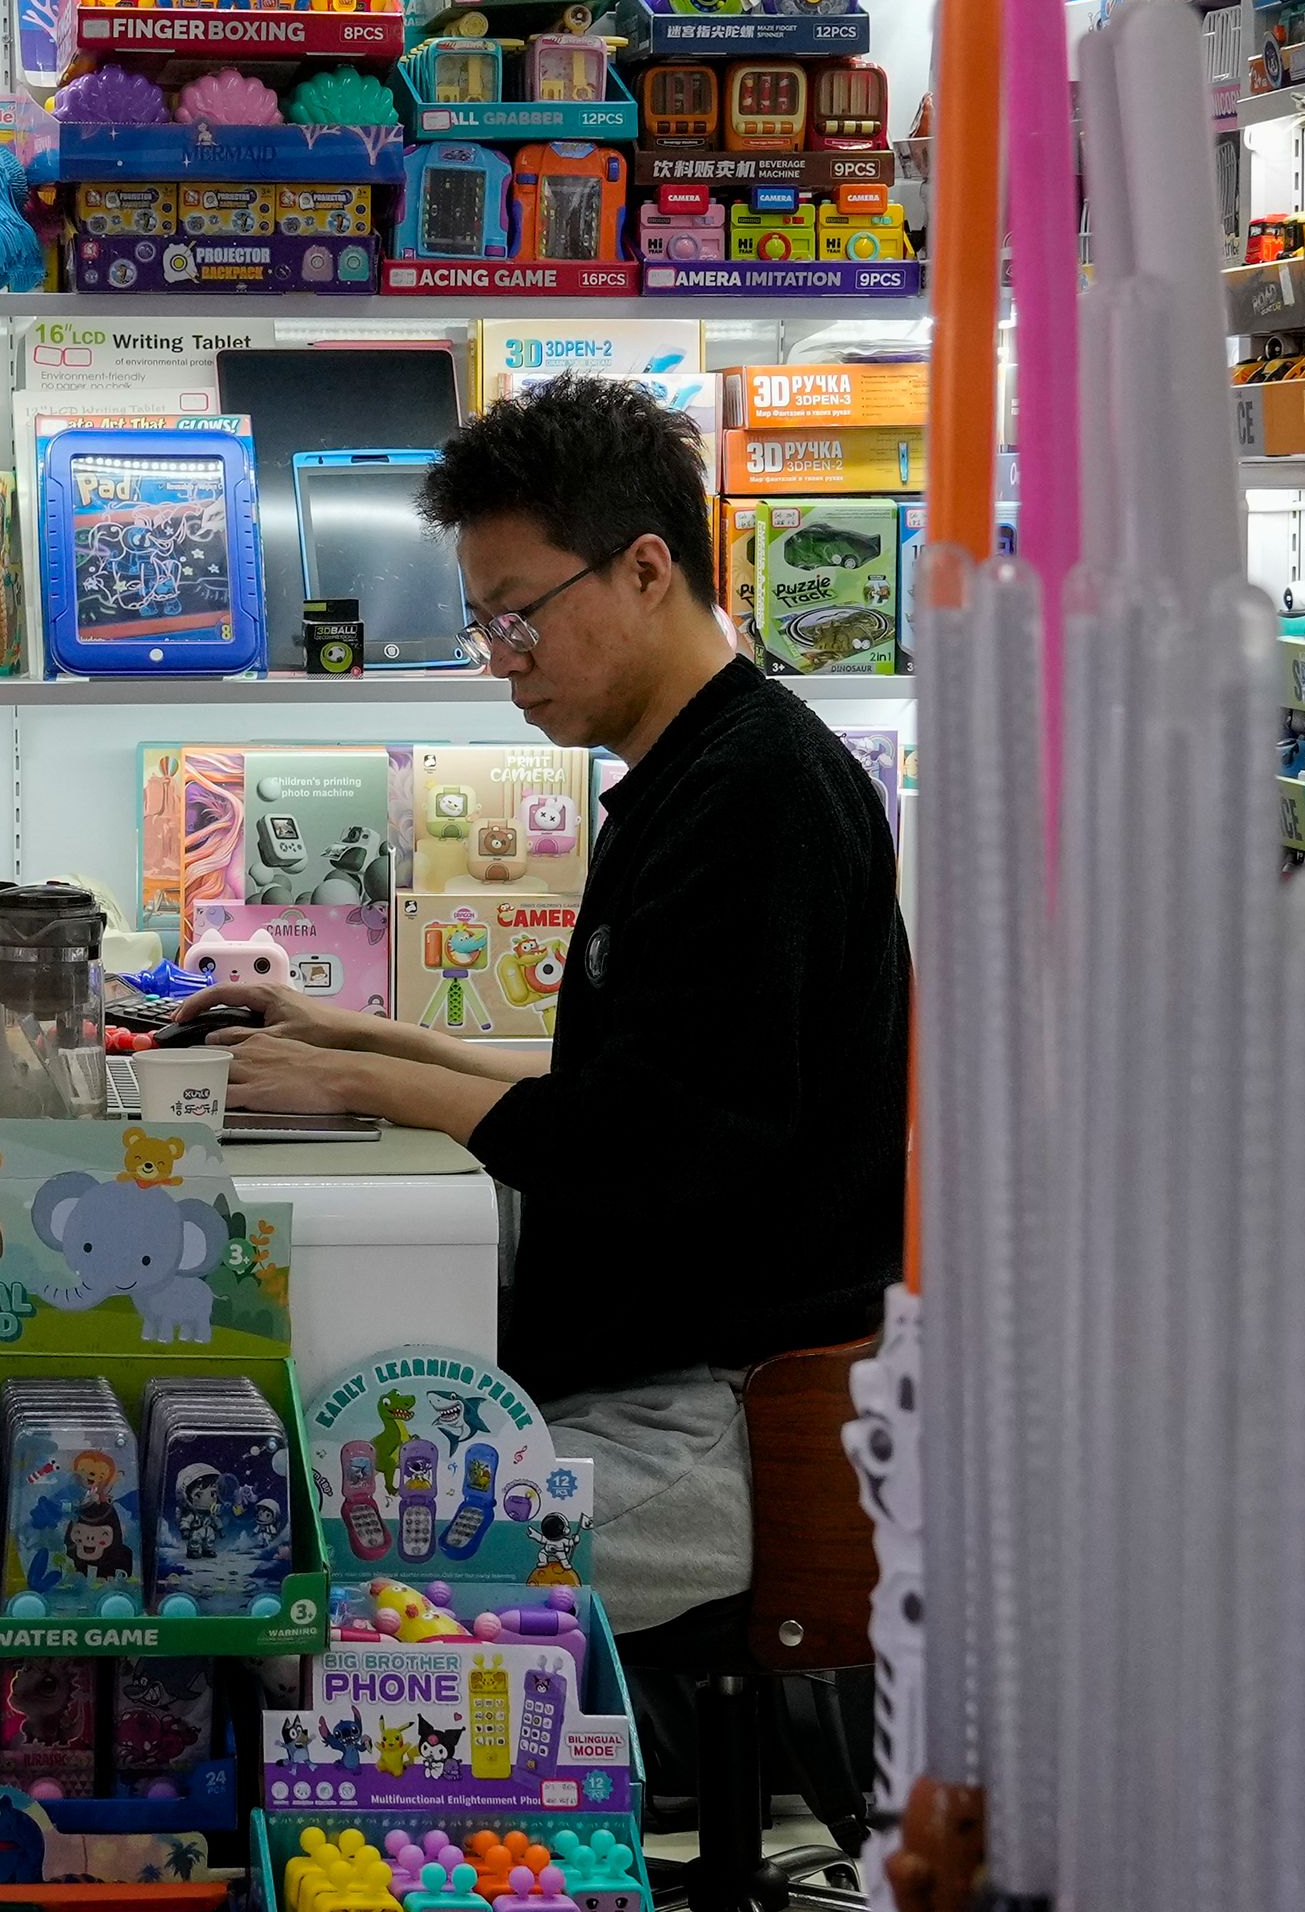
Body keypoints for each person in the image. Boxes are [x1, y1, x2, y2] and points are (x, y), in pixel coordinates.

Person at [172, 376, 908, 1631]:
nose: (502, 664)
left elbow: (657, 1147)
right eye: (484, 627)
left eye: (519, 620)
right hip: (642, 1374)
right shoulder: (685, 779)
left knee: (340, 1591)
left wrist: (361, 1080)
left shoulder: (758, 799)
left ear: (644, 569)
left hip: (718, 1415)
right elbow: (623, 1095)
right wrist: (351, 1029)